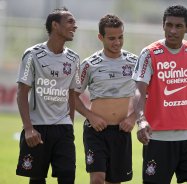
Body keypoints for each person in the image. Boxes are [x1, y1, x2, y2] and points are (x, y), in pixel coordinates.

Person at [132, 5, 187, 184]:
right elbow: (139, 90)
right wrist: (141, 120)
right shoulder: (149, 53)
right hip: (158, 139)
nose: (172, 31)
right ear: (162, 26)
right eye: (169, 25)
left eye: (178, 26)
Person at [16, 7, 80, 184]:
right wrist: (28, 128)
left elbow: (71, 93)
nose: (75, 26)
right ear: (55, 25)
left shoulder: (74, 58)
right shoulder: (32, 55)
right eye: (70, 21)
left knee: (68, 176)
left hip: (63, 128)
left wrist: (70, 125)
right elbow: (22, 92)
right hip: (38, 127)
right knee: (37, 179)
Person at [74, 14, 137, 184]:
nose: (117, 42)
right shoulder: (90, 64)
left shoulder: (134, 62)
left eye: (120, 37)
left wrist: (133, 117)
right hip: (96, 132)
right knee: (97, 179)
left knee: (114, 181)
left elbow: (148, 95)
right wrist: (90, 115)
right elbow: (72, 96)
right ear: (100, 37)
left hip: (121, 131)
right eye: (111, 38)